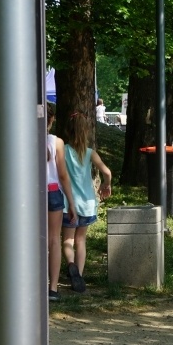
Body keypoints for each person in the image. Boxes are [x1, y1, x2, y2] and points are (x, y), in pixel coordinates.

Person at [62, 111, 112, 293]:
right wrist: (107, 185)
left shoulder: (64, 151)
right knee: (81, 240)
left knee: (67, 240)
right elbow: (107, 172)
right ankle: (79, 277)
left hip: (69, 204)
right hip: (87, 203)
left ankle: (70, 264)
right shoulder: (90, 153)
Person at [45, 103, 78, 301]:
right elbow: (63, 175)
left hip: (30, 195)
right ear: (52, 119)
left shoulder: (23, 137)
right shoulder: (56, 142)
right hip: (52, 192)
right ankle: (53, 288)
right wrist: (71, 202)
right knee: (54, 240)